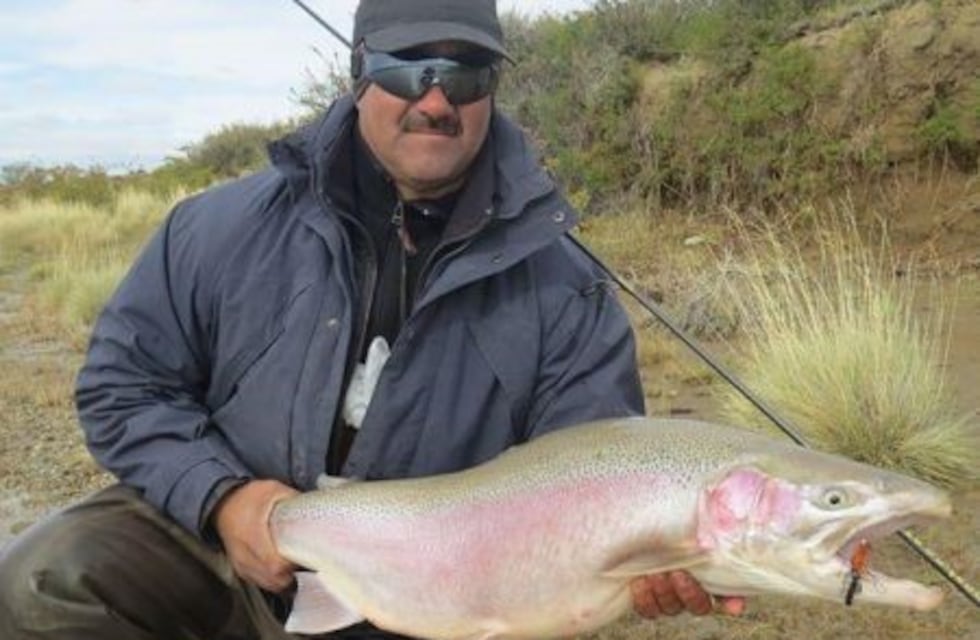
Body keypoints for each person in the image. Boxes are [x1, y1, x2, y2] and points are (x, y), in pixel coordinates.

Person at [0, 1, 743, 637]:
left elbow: (595, 474)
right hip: (227, 546)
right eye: (406, 66)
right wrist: (223, 500)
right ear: (359, 72)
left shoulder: (569, 295)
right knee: (45, 580)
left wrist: (634, 563)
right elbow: (123, 386)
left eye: (467, 73)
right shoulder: (214, 229)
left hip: (430, 593)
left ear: (494, 88)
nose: (436, 98)